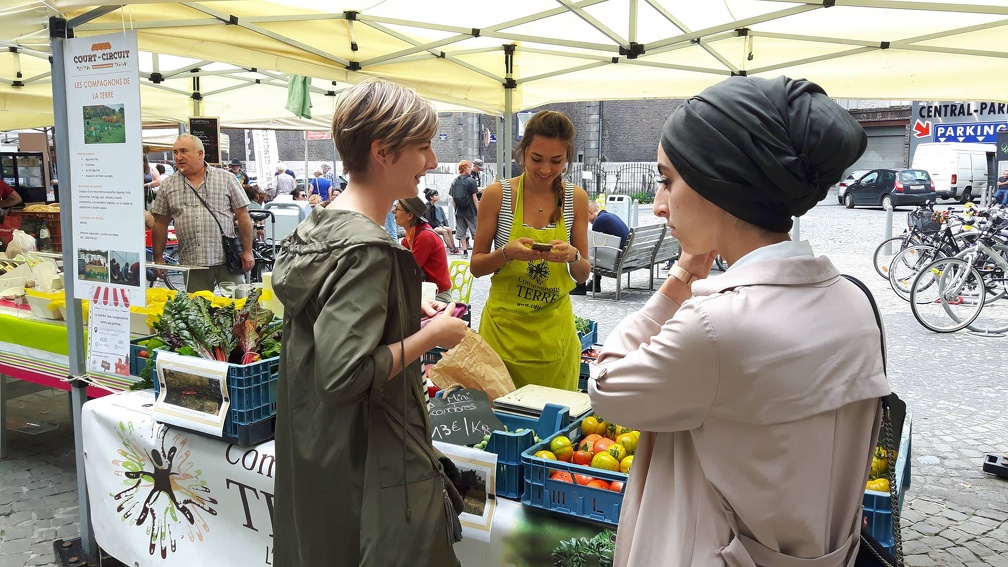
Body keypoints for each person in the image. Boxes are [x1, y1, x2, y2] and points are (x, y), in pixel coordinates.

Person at [588, 76, 890, 567]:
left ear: (717, 181)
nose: (659, 205)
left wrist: (680, 278)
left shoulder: (716, 325)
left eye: (667, 180)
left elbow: (606, 383)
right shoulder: (855, 304)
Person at [271, 77, 467, 567]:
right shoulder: (367, 249)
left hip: (322, 455)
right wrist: (431, 336)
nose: (432, 163)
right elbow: (344, 375)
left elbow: (326, 327)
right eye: (422, 147)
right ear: (383, 151)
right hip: (366, 463)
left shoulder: (319, 225)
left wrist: (402, 310)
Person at [469, 110, 590, 391]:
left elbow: (583, 274)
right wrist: (506, 254)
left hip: (553, 340)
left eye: (557, 161)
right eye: (537, 159)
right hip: (502, 336)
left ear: (567, 158)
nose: (546, 169)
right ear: (522, 153)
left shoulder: (576, 199)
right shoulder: (498, 194)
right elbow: (476, 267)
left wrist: (573, 256)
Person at [149, 134, 254, 292]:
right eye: (175, 152)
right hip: (192, 261)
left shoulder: (227, 179)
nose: (178, 157)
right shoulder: (167, 185)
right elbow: (160, 223)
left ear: (200, 154)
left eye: (184, 151)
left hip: (227, 258)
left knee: (239, 307)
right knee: (198, 311)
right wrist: (158, 257)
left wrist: (247, 250)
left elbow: (243, 215)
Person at [395, 196, 453, 303]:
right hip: (422, 291)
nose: (394, 212)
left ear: (410, 215)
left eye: (397, 209)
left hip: (437, 295)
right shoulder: (408, 239)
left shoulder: (424, 237)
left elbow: (410, 270)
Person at [572, 200, 630, 294]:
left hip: (617, 259)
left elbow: (592, 244)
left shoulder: (600, 220)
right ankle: (595, 283)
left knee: (584, 252)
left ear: (589, 212)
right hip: (626, 257)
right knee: (597, 251)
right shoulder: (608, 216)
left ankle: (580, 286)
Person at [449, 160, 479, 258]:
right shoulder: (471, 181)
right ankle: (477, 252)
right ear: (464, 168)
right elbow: (474, 198)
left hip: (459, 211)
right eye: (469, 167)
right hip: (470, 210)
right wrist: (478, 211)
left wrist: (456, 210)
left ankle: (465, 252)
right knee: (476, 231)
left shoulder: (454, 181)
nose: (470, 169)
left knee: (461, 232)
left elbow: (453, 200)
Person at [423, 188, 458, 253]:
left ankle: (454, 247)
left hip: (433, 225)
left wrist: (439, 225)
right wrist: (437, 226)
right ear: (431, 197)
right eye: (436, 195)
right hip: (428, 227)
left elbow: (434, 219)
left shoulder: (432, 206)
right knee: (444, 231)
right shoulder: (428, 207)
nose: (438, 196)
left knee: (449, 229)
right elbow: (428, 220)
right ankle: (452, 249)